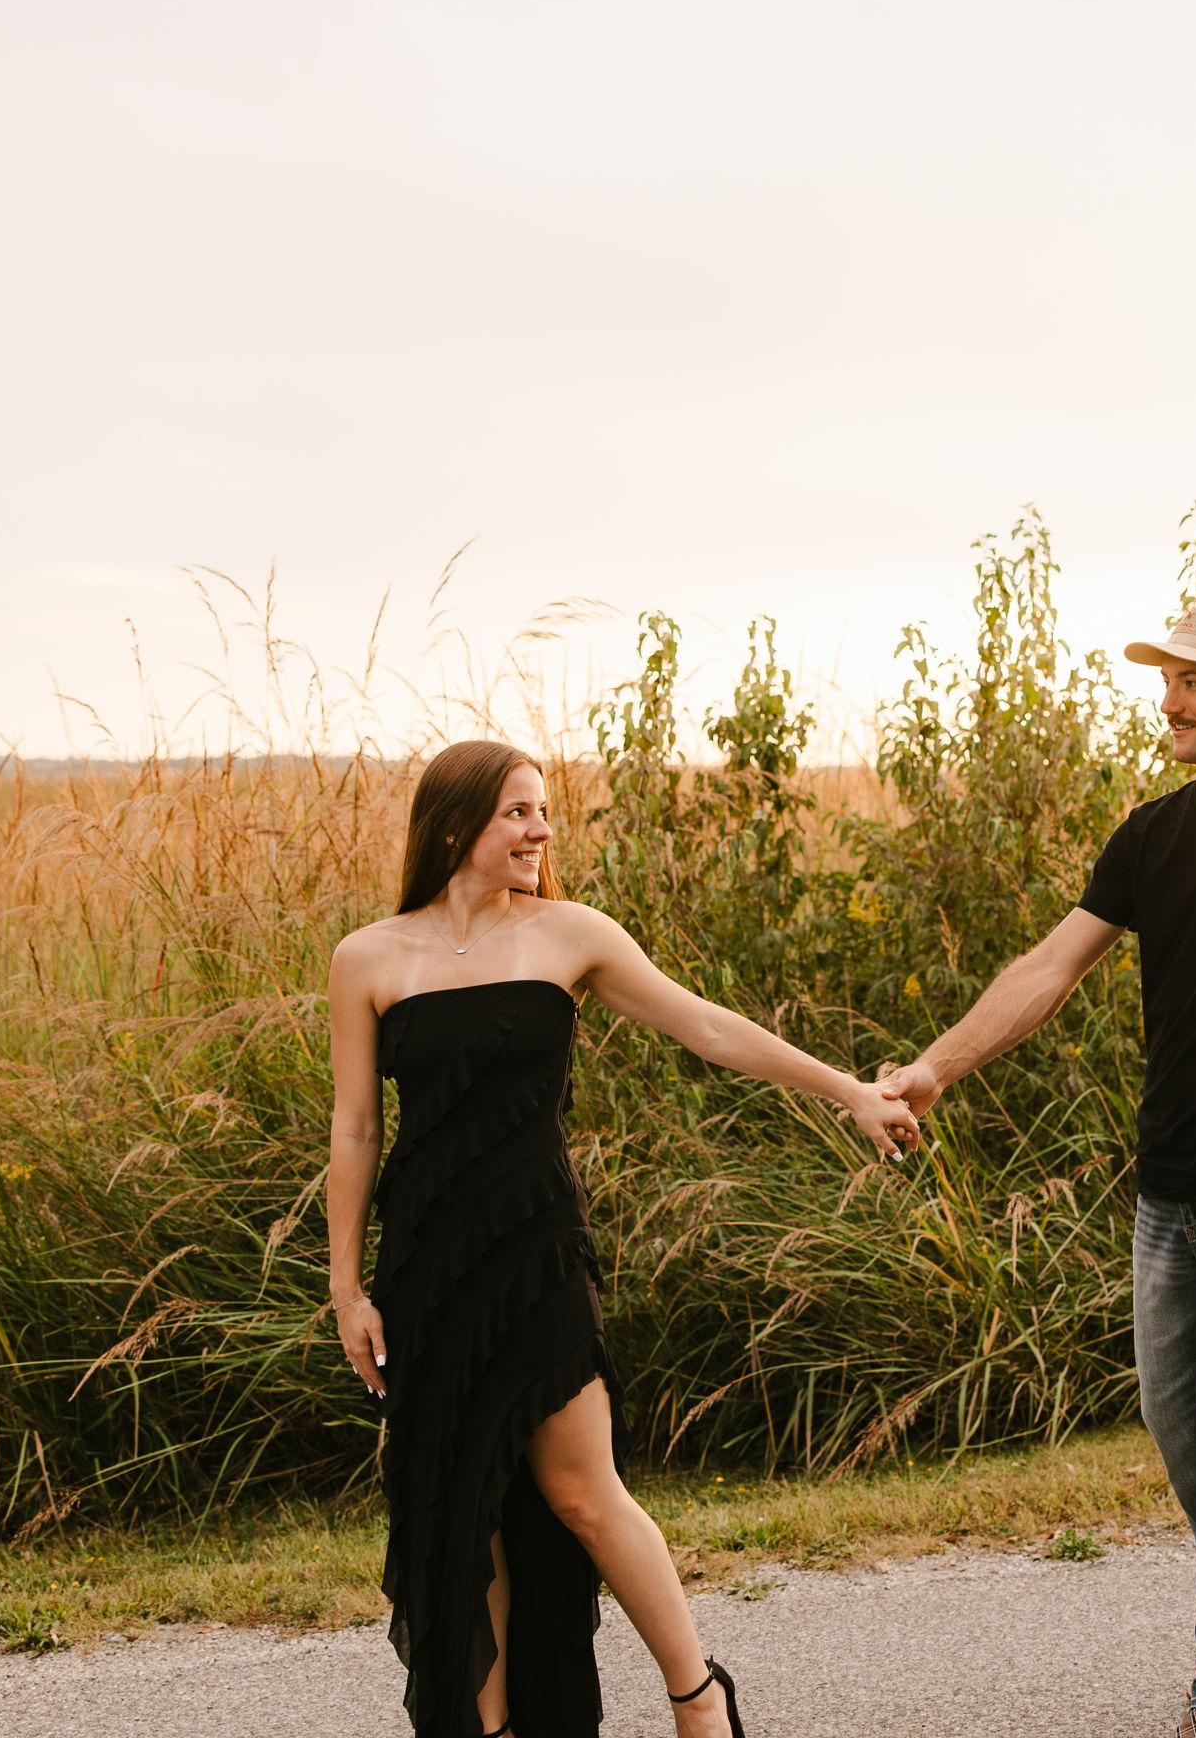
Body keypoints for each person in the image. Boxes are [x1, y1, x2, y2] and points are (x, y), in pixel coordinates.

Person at [325, 739, 918, 1738]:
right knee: (463, 1505)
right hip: (426, 1263)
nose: (542, 830)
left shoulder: (572, 934)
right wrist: (347, 1290)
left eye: (543, 809)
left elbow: (708, 1026)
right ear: (457, 826)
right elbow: (354, 1129)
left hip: (537, 1254)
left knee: (581, 1489)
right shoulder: (368, 957)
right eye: (519, 811)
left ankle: (700, 1698)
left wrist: (848, 1091)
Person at [883, 598, 1196, 1738]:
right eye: (1166, 679)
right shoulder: (1151, 836)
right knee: (1178, 1427)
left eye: (1192, 682)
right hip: (1168, 1193)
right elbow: (1049, 967)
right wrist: (934, 1067)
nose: (1168, 700)